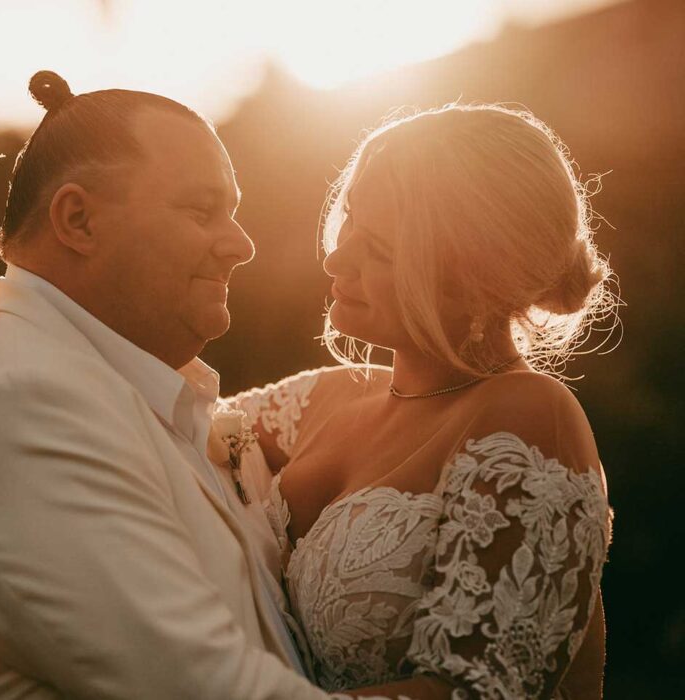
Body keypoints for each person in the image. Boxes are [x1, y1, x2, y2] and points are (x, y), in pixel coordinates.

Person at [0, 71, 328, 699]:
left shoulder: (118, 385)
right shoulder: (18, 403)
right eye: (203, 210)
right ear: (78, 219)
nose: (240, 245)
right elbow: (206, 688)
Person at [223, 104, 615, 699]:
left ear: (475, 274)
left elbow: (476, 692)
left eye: (378, 247)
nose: (335, 258)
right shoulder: (326, 397)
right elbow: (166, 423)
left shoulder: (529, 416)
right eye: (350, 220)